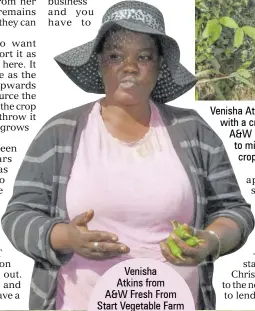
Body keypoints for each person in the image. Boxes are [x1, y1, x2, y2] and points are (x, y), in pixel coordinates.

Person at [1, 1, 254, 310]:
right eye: (115, 56)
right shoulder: (60, 131)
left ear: (160, 65)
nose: (130, 66)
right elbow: (17, 216)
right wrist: (66, 236)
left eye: (144, 56)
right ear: (99, 63)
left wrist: (211, 241)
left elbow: (235, 211)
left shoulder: (192, 130)